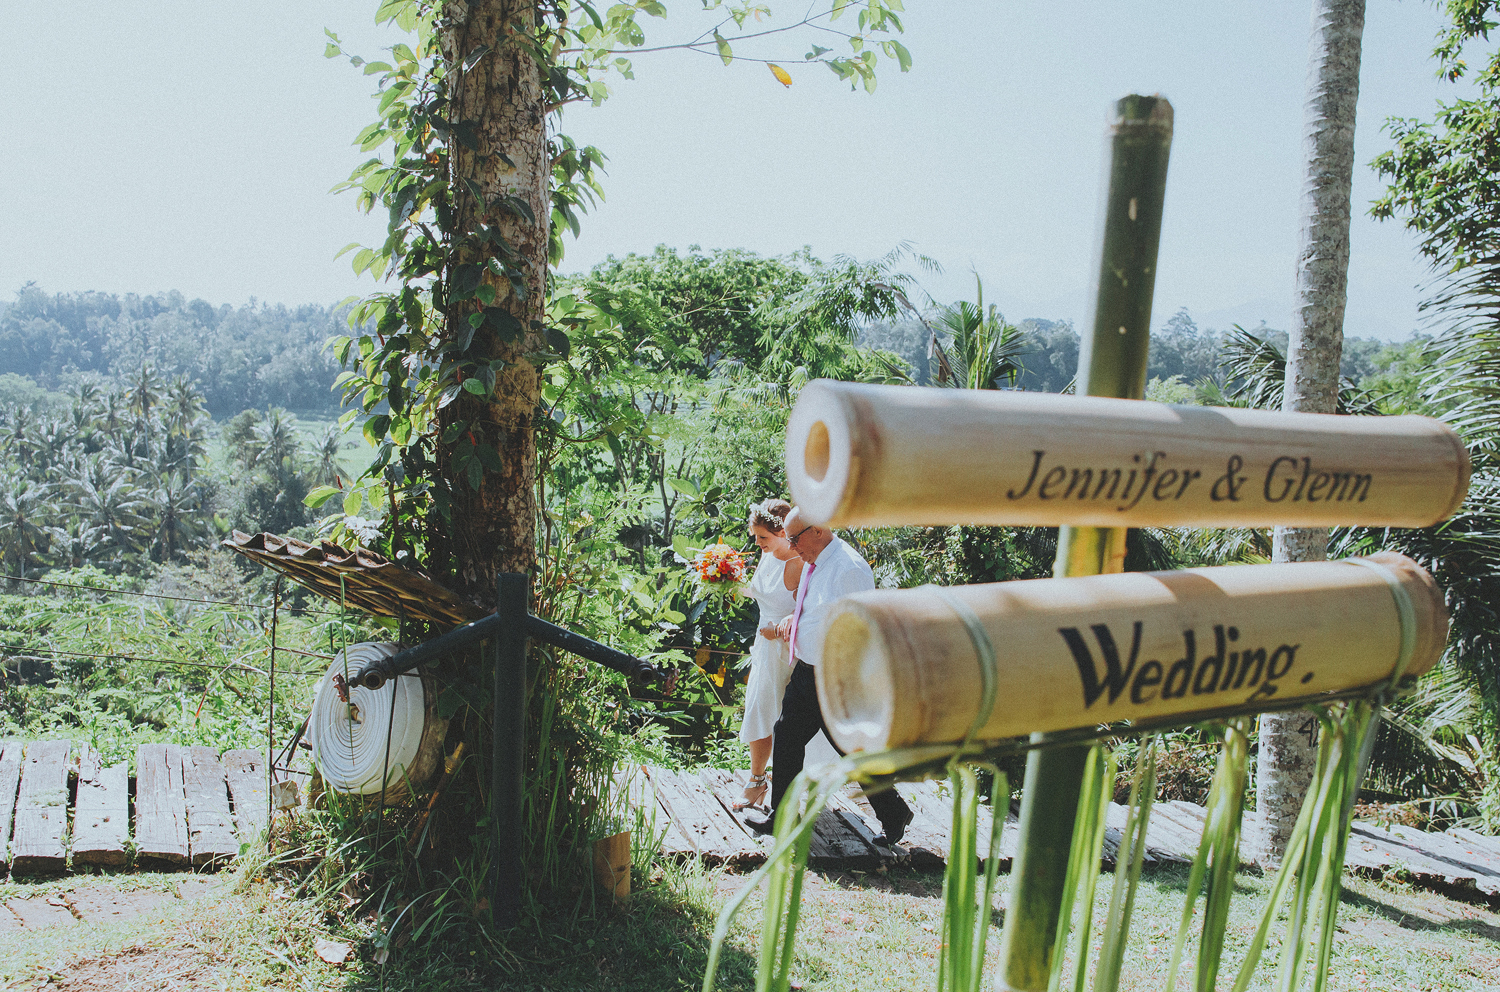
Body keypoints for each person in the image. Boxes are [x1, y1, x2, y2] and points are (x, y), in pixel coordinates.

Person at [744, 508, 913, 846]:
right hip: (808, 671)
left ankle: (893, 811)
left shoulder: (848, 568)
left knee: (849, 747)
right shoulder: (815, 560)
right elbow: (817, 610)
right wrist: (794, 618)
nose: (792, 546)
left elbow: (861, 625)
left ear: (818, 530)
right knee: (787, 736)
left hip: (835, 675)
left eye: (796, 538)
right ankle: (782, 817)